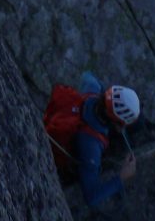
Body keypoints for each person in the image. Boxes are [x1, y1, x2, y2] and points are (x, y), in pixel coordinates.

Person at [44, 77, 139, 207]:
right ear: (118, 124)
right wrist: (121, 178)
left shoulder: (92, 86)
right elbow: (91, 197)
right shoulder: (91, 145)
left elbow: (89, 76)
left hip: (55, 116)